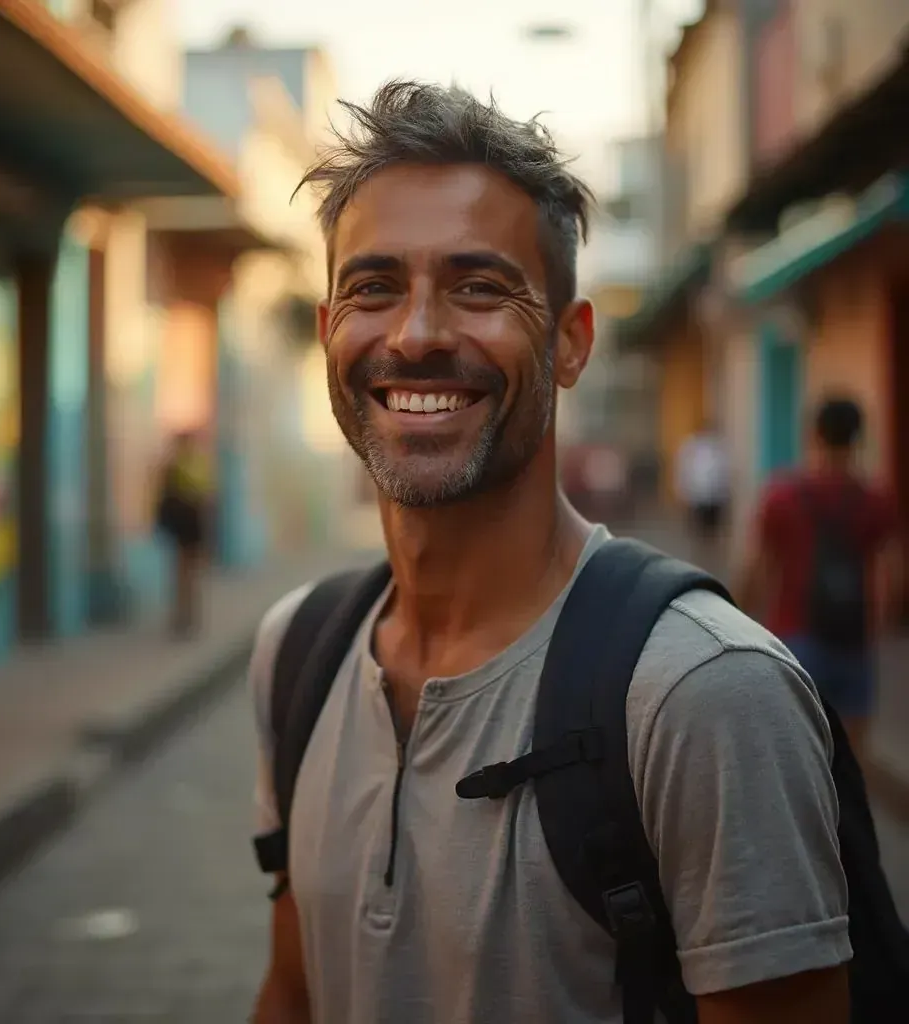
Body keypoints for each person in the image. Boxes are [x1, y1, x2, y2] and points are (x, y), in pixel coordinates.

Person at [249, 81, 850, 1023]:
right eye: (372, 287)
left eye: (479, 287)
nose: (415, 334)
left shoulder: (704, 693)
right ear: (329, 333)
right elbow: (291, 995)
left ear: (571, 345)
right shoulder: (297, 654)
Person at [736, 395, 902, 762]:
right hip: (853, 640)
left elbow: (755, 569)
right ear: (858, 438)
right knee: (852, 760)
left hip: (795, 638)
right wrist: (877, 627)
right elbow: (893, 578)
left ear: (814, 435)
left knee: (797, 757)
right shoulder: (875, 500)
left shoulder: (782, 495)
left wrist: (740, 624)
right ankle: (844, 818)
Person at [155, 431, 211, 637]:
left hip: (190, 521)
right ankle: (184, 615)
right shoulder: (185, 464)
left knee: (186, 572)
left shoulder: (182, 464)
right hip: (187, 521)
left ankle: (187, 615)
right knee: (185, 572)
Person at [674, 419, 730, 568]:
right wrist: (683, 491)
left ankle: (712, 558)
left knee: (712, 530)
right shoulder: (691, 447)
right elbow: (684, 470)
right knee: (698, 529)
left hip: (715, 496)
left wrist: (725, 493)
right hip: (697, 495)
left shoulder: (718, 447)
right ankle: (699, 558)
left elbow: (724, 472)